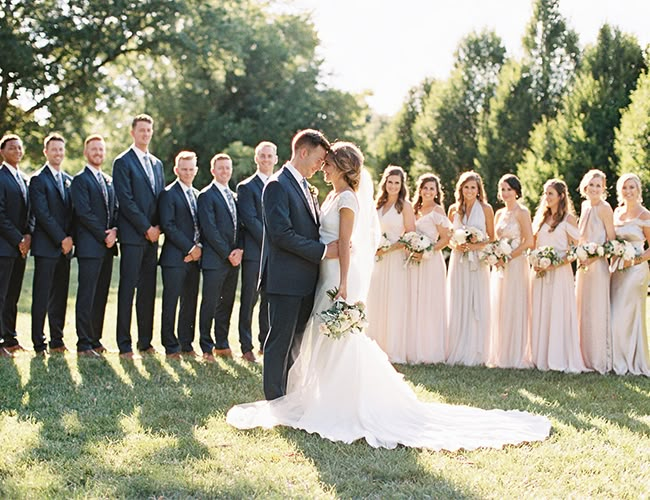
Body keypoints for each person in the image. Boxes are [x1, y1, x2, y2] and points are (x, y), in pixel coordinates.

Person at [226, 141, 551, 451]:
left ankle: (342, 403)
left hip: (336, 277)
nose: (322, 167)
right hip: (320, 274)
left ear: (343, 167)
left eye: (328, 163)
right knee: (321, 341)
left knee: (339, 342)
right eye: (322, 162)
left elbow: (347, 247)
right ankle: (317, 397)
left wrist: (343, 286)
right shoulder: (329, 196)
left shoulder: (349, 200)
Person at [259, 129, 336, 400]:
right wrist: (324, 251)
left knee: (296, 344)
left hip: (305, 280)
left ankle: (288, 394)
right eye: (319, 158)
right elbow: (281, 235)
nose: (320, 165)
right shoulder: (277, 185)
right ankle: (274, 399)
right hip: (284, 280)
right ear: (303, 151)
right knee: (280, 341)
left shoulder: (305, 186)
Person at [112, 114, 164, 359]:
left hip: (153, 238)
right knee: (128, 289)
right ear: (133, 133)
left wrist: (159, 227)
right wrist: (146, 227)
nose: (145, 134)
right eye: (141, 130)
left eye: (149, 130)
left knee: (147, 290)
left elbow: (160, 199)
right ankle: (124, 343)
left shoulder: (157, 164)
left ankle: (145, 341)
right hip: (133, 236)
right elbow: (126, 200)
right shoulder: (123, 162)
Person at [529, 179, 586, 373]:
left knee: (558, 312)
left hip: (560, 273)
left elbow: (575, 251)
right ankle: (540, 356)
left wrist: (555, 264)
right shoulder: (541, 219)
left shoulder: (568, 219)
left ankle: (559, 356)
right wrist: (536, 262)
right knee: (541, 310)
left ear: (561, 196)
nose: (546, 197)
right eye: (545, 193)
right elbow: (534, 246)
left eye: (550, 194)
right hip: (541, 274)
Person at [70, 135, 118, 357]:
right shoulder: (80, 180)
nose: (98, 153)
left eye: (101, 149)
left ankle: (95, 339)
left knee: (101, 295)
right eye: (94, 149)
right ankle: (83, 344)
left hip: (107, 247)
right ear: (85, 153)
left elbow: (116, 210)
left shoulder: (108, 180)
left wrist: (115, 231)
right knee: (87, 294)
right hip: (90, 246)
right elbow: (83, 213)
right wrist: (103, 235)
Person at [29, 133, 74, 355]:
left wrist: (71, 238)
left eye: (60, 149)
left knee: (60, 295)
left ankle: (57, 339)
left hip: (65, 250)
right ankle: (39, 342)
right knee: (42, 295)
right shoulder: (38, 179)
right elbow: (42, 214)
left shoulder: (69, 179)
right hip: (47, 247)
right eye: (53, 149)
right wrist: (61, 238)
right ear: (46, 152)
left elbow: (73, 214)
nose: (58, 153)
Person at [365, 165, 415, 363]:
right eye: (390, 182)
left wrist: (389, 248)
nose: (393, 186)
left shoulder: (405, 206)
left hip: (395, 259)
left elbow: (410, 235)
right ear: (384, 183)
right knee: (376, 300)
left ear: (402, 185)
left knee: (394, 301)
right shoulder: (377, 205)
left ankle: (393, 349)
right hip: (376, 260)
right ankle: (375, 346)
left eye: (397, 183)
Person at [197, 153, 243, 362]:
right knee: (210, 303)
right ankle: (206, 347)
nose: (225, 171)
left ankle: (222, 344)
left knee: (227, 303)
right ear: (213, 170)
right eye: (221, 168)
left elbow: (240, 227)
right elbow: (209, 229)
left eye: (228, 168)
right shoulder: (206, 195)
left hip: (234, 260)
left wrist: (239, 250)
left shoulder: (234, 196)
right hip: (215, 260)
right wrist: (227, 253)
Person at [446, 171, 494, 366]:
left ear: (478, 189)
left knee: (476, 302)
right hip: (458, 260)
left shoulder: (486, 209)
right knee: (459, 300)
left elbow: (491, 237)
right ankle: (457, 347)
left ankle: (476, 351)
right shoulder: (453, 210)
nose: (469, 191)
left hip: (478, 262)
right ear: (461, 189)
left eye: (473, 187)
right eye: (466, 187)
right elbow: (448, 237)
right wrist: (456, 245)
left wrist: (475, 244)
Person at [487, 174, 534, 369]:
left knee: (515, 304)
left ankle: (516, 353)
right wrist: (496, 255)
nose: (505, 193)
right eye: (503, 189)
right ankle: (501, 353)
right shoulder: (499, 214)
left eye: (509, 189)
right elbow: (494, 240)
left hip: (515, 263)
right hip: (500, 265)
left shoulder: (522, 212)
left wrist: (508, 256)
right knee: (501, 304)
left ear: (516, 191)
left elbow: (529, 241)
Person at [158, 151, 202, 359]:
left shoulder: (197, 194)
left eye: (191, 169)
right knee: (171, 302)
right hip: (174, 258)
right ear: (176, 170)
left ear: (196, 170)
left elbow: (200, 227)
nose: (187, 172)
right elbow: (168, 225)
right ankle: (170, 345)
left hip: (194, 259)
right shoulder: (168, 193)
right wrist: (189, 249)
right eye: (183, 169)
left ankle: (186, 343)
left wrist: (198, 248)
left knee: (189, 302)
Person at [236, 141, 277, 360]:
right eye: (262, 156)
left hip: (275, 255)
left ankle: (264, 343)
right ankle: (245, 346)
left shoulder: (280, 185)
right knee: (249, 299)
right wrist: (274, 240)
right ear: (256, 158)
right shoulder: (246, 187)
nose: (266, 159)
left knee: (269, 299)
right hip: (254, 252)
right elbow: (250, 220)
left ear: (276, 159)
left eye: (270, 156)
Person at [406, 173, 450, 364]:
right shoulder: (414, 209)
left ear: (436, 191)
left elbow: (446, 239)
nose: (428, 191)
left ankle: (430, 351)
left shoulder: (438, 210)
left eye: (432, 188)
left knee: (430, 303)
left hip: (432, 261)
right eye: (426, 187)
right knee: (415, 301)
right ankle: (414, 347)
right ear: (420, 189)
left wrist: (427, 250)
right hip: (414, 261)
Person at [610, 173, 650, 376]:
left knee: (627, 315)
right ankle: (616, 359)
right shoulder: (616, 213)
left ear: (638, 190)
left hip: (636, 271)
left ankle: (633, 360)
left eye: (632, 187)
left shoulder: (645, 215)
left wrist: (634, 260)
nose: (628, 191)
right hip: (617, 269)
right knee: (614, 313)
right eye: (625, 187)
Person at [575, 170, 615, 374]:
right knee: (582, 308)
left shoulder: (605, 208)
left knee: (596, 309)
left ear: (603, 189)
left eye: (598, 185)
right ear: (585, 186)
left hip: (598, 266)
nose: (594, 189)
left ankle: (599, 360)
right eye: (592, 184)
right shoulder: (584, 206)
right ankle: (582, 357)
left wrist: (595, 255)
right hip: (582, 266)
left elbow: (611, 241)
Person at [0, 134, 33, 357]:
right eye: (12, 148)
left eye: (20, 147)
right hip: (5, 245)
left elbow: (31, 212)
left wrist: (28, 236)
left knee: (13, 295)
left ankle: (10, 338)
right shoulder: (0, 177)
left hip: (21, 248)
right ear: (2, 152)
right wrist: (18, 239)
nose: (17, 151)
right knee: (1, 294)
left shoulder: (24, 178)